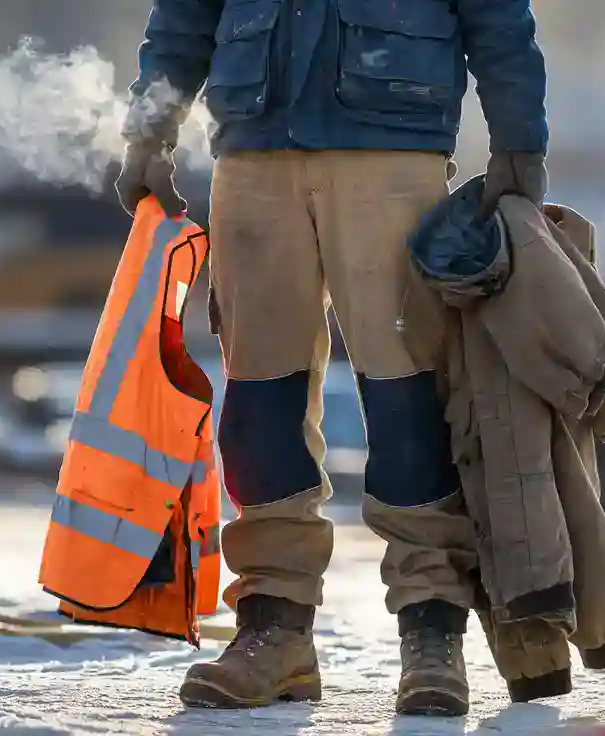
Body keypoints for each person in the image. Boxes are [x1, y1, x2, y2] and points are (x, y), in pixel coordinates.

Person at [115, 0, 549, 716]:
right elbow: (186, 11)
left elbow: (496, 11)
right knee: (260, 404)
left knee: (408, 397)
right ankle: (275, 628)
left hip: (392, 144)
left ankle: (431, 628)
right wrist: (148, 134)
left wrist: (518, 140)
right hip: (253, 150)